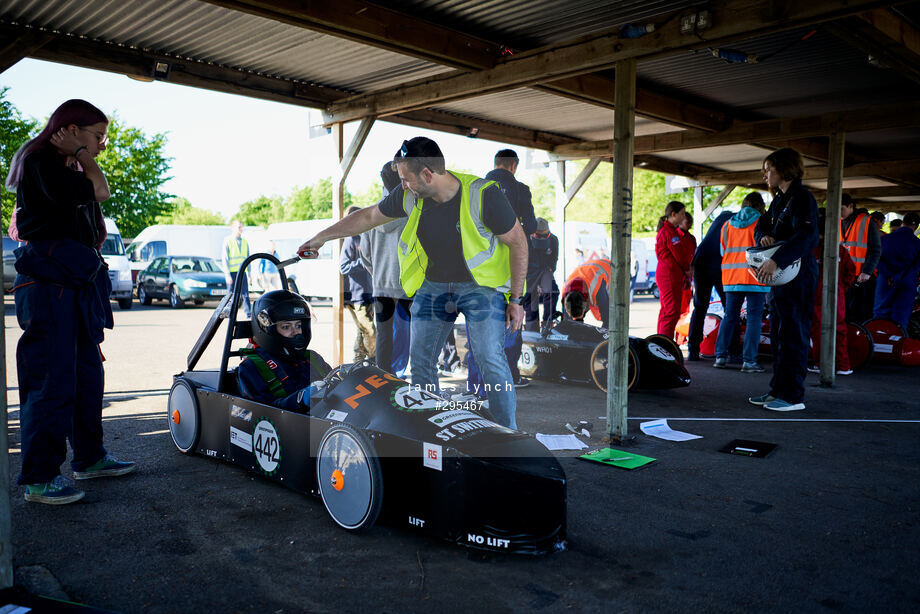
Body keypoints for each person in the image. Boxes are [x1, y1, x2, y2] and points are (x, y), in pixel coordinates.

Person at [297, 137, 528, 429]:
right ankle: (430, 430)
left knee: (489, 358)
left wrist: (516, 301)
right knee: (421, 360)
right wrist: (321, 238)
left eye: (406, 179)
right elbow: (368, 216)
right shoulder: (410, 196)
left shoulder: (483, 194)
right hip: (433, 286)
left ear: (428, 174)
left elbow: (519, 243)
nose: (402, 185)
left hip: (480, 288)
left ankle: (507, 433)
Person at [5, 99, 135, 505]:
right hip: (49, 285)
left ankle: (90, 458)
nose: (102, 145)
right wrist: (81, 155)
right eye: (97, 137)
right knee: (51, 380)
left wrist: (79, 155)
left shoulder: (63, 164)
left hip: (73, 282)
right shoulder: (41, 160)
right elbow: (102, 189)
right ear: (71, 130)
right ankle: (40, 478)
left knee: (85, 375)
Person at [750, 148, 819, 412]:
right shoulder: (779, 200)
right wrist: (764, 237)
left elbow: (807, 237)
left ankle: (792, 396)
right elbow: (762, 225)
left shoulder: (803, 198)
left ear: (784, 168)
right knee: (779, 333)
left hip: (797, 275)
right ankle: (777, 390)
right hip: (780, 277)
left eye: (769, 169)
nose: (766, 175)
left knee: (794, 334)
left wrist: (777, 258)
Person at [485, 149, 536, 387]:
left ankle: (481, 383)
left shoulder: (478, 187)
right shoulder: (521, 190)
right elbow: (532, 225)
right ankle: (510, 377)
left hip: (482, 270)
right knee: (513, 318)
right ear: (514, 166)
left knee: (483, 327)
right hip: (513, 266)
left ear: (496, 164)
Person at [238, 290, 332, 409]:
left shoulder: (312, 358)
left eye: (298, 326)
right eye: (286, 327)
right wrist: (300, 399)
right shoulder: (251, 367)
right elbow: (259, 416)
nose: (296, 333)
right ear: (268, 330)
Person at [360, 162, 411, 377]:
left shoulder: (371, 213)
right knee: (414, 336)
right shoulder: (413, 210)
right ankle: (417, 383)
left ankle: (383, 381)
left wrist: (378, 274)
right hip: (410, 285)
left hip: (381, 285)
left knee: (383, 337)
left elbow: (365, 256)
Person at [713, 192, 769, 372]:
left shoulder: (727, 224)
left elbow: (723, 251)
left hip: (731, 277)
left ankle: (720, 356)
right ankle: (749, 361)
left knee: (729, 316)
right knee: (753, 319)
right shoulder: (762, 222)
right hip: (755, 276)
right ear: (760, 206)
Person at [808, 209, 857, 376]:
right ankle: (843, 365)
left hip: (817, 294)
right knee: (839, 329)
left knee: (818, 330)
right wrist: (842, 287)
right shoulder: (840, 250)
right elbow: (851, 271)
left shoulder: (812, 250)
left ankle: (821, 364)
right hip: (837, 294)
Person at [687, 205, 736, 360]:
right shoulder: (736, 222)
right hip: (719, 265)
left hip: (700, 262)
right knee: (730, 307)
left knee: (700, 307)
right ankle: (733, 351)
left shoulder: (719, 220)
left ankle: (693, 350)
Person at [340, 205, 376, 362]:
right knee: (370, 331)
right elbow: (343, 267)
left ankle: (359, 361)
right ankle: (375, 360)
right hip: (356, 296)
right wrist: (364, 260)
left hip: (369, 293)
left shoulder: (367, 236)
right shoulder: (350, 239)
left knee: (362, 332)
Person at [873, 212, 920, 330]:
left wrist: (889, 275)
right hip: (906, 282)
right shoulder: (917, 243)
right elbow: (916, 266)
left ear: (903, 223)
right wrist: (899, 277)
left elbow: (876, 259)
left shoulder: (885, 239)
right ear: (916, 227)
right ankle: (897, 343)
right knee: (901, 317)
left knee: (880, 313)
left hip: (885, 281)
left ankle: (879, 341)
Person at [840, 193, 881, 324]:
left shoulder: (866, 221)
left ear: (851, 206)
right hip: (844, 277)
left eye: (841, 209)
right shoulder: (838, 221)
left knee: (861, 315)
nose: (839, 213)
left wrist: (867, 271)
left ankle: (862, 341)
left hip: (862, 279)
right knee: (844, 314)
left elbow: (876, 249)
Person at [655, 201, 690, 339]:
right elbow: (679, 255)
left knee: (667, 311)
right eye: (682, 214)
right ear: (674, 214)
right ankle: (665, 345)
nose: (684, 217)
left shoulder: (668, 230)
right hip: (669, 275)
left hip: (668, 274)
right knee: (671, 312)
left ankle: (661, 342)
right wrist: (687, 269)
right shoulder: (669, 232)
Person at [525, 218, 559, 331]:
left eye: (546, 235)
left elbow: (554, 260)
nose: (543, 238)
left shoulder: (554, 240)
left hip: (545, 269)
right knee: (531, 299)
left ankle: (547, 324)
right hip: (530, 270)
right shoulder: (526, 239)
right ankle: (531, 328)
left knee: (553, 292)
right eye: (540, 236)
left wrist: (550, 271)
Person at [561, 258, 611, 328]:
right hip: (590, 269)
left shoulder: (597, 288)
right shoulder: (565, 296)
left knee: (612, 317)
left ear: (586, 305)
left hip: (610, 268)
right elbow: (567, 322)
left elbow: (608, 319)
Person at [223, 219, 251, 318]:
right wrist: (227, 275)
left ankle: (249, 314)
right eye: (239, 227)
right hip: (232, 273)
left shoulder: (245, 242)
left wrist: (250, 274)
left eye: (241, 226)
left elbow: (248, 258)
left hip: (243, 272)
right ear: (233, 228)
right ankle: (230, 314)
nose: (241, 229)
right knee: (231, 295)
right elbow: (225, 259)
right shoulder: (228, 240)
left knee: (245, 294)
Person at [677, 213, 696, 323]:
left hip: (689, 276)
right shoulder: (676, 236)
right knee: (676, 308)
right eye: (687, 222)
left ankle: (681, 337)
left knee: (685, 308)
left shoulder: (691, 238)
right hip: (679, 275)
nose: (689, 224)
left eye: (690, 222)